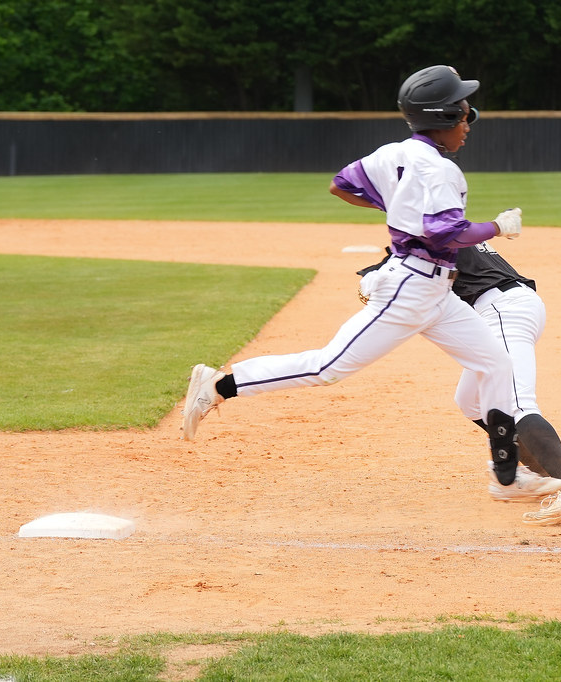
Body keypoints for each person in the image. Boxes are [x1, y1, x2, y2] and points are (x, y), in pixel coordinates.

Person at [181, 65, 525, 490]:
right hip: (412, 287)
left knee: (494, 363)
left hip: (437, 292)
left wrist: (399, 210)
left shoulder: (392, 152)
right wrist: (497, 227)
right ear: (441, 117)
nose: (468, 120)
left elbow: (341, 185)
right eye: (463, 111)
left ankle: (507, 474)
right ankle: (221, 385)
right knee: (329, 367)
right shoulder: (439, 170)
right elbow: (449, 232)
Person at [451, 243, 561, 525]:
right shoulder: (448, 224)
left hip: (502, 310)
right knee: (470, 400)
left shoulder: (431, 227)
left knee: (518, 404)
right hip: (507, 305)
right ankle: (536, 478)